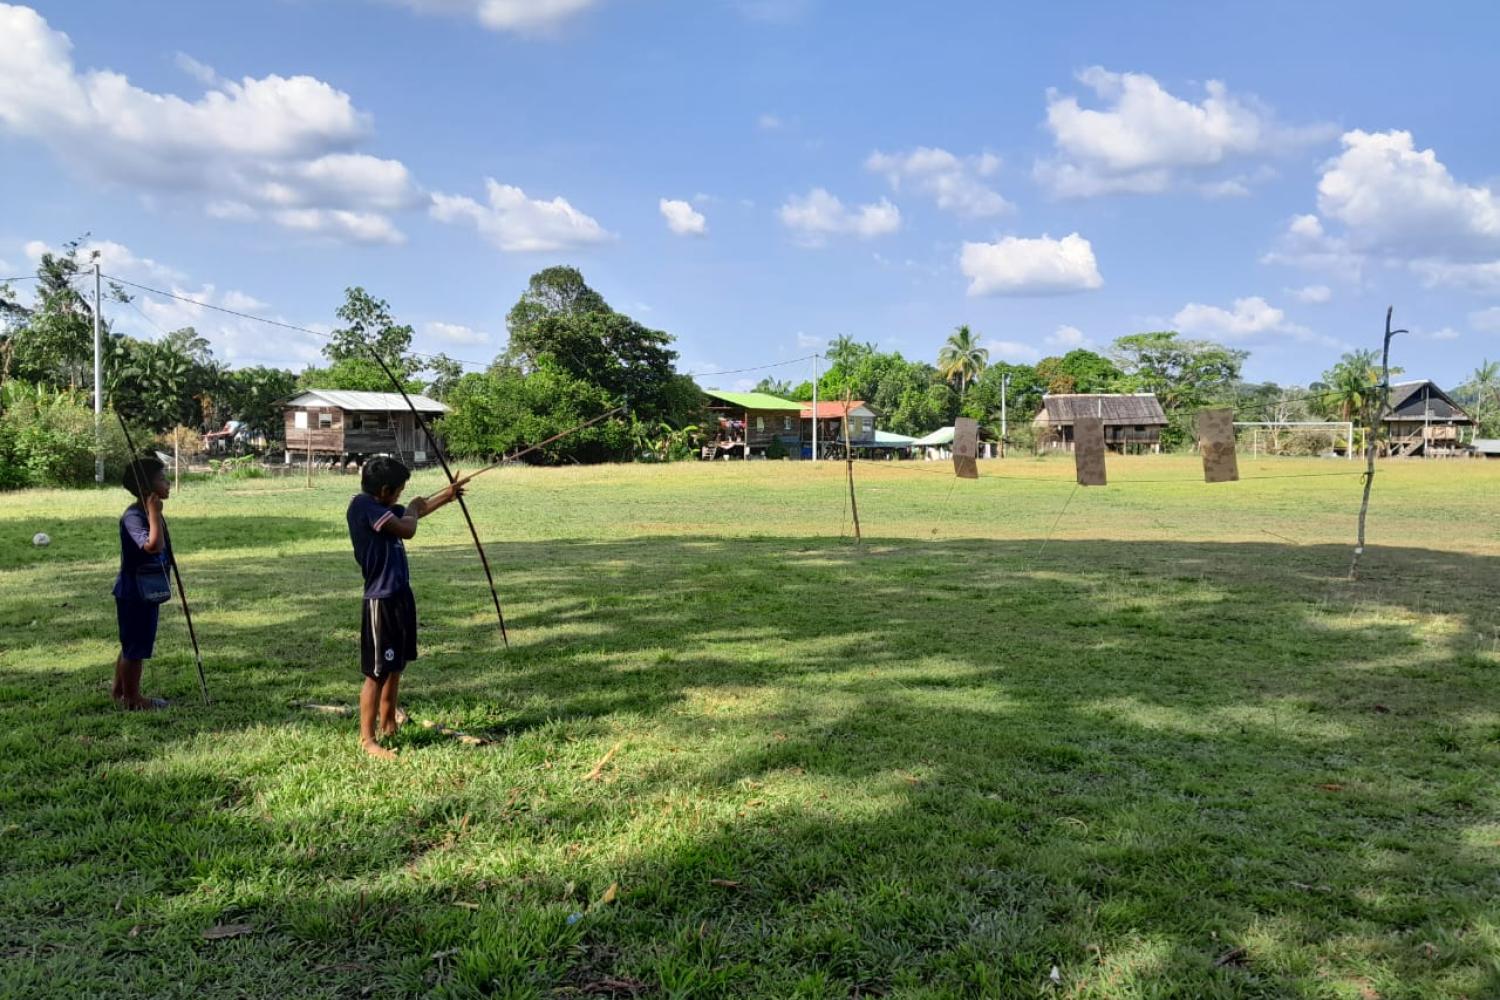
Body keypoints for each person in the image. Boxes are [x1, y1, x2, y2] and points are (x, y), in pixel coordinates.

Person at [346, 456, 464, 760]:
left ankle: (388, 725)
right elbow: (408, 526)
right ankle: (367, 740)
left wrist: (447, 496)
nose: (400, 496)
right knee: (377, 672)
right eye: (398, 491)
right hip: (380, 600)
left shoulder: (382, 506)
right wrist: (411, 508)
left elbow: (416, 511)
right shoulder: (363, 507)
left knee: (396, 666)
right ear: (385, 490)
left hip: (400, 595)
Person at [113, 455, 173, 710]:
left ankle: (119, 691)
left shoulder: (145, 512)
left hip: (146, 588)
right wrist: (154, 514)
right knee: (135, 648)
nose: (168, 482)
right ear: (146, 487)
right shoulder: (134, 516)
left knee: (132, 643)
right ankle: (133, 699)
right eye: (162, 478)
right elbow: (152, 545)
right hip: (135, 591)